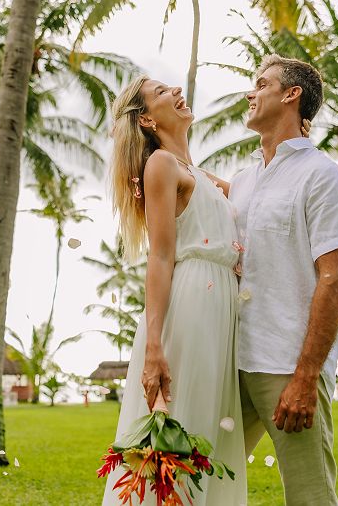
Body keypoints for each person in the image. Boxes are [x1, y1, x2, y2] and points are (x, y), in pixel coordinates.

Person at [101, 76, 247, 505]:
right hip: (191, 307)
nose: (176, 91)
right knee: (183, 433)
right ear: (146, 118)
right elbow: (161, 257)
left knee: (209, 439)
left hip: (221, 308)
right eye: (163, 92)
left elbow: (260, 193)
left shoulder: (199, 175)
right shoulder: (161, 165)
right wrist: (153, 347)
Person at [229, 54, 338, 505]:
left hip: (287, 366)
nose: (251, 92)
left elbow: (334, 281)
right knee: (200, 479)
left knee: (310, 497)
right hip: (231, 361)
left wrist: (305, 377)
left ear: (291, 94)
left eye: (261, 84)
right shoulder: (244, 180)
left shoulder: (321, 175)